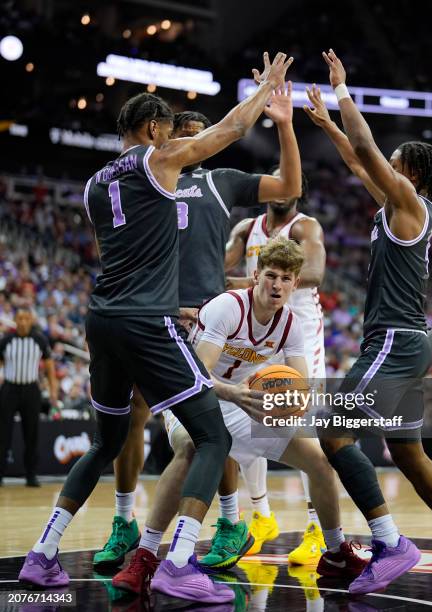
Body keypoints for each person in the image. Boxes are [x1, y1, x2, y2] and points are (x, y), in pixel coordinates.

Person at [18, 51, 294, 605]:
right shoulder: (157, 161)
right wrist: (265, 90)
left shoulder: (96, 182)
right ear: (151, 130)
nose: (173, 143)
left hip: (102, 319)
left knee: (105, 444)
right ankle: (180, 562)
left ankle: (42, 554)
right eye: (167, 133)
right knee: (212, 436)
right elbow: (235, 127)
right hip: (148, 318)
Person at [302, 49, 432, 594]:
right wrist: (327, 127)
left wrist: (343, 92)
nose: (383, 163)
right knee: (408, 451)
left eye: (394, 159)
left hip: (393, 342)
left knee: (334, 431)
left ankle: (390, 542)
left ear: (409, 172)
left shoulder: (409, 202)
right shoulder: (398, 206)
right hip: (409, 343)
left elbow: (366, 150)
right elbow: (360, 162)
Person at [93, 81, 303, 571]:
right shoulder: (144, 178)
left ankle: (230, 520)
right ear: (163, 138)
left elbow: (289, 187)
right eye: (178, 132)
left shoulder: (219, 179)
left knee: (212, 421)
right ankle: (125, 521)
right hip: (153, 308)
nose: (186, 139)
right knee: (132, 416)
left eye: (195, 133)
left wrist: (287, 126)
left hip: (207, 314)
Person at [112, 237, 366, 596]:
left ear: (295, 284)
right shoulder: (227, 308)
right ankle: (146, 557)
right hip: (194, 393)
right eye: (271, 276)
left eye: (285, 279)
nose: (277, 285)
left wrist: (295, 403)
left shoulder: (292, 324)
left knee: (319, 463)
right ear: (255, 276)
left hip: (246, 398)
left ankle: (336, 551)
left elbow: (300, 386)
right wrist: (236, 394)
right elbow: (198, 376)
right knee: (192, 447)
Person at [225, 169, 328, 564]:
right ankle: (262, 514)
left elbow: (315, 273)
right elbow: (217, 267)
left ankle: (317, 528)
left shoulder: (305, 227)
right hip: (256, 329)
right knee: (245, 412)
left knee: (300, 421)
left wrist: (248, 283)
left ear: (299, 191)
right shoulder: (246, 227)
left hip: (299, 330)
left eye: (292, 182)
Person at [0, 309, 58, 487]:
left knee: (31, 433)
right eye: (20, 319)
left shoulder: (39, 339)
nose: (23, 322)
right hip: (9, 389)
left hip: (31, 390)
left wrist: (53, 390)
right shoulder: (6, 340)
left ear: (31, 320)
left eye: (26, 319)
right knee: (3, 433)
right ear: (15, 321)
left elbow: (49, 367)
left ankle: (31, 475)